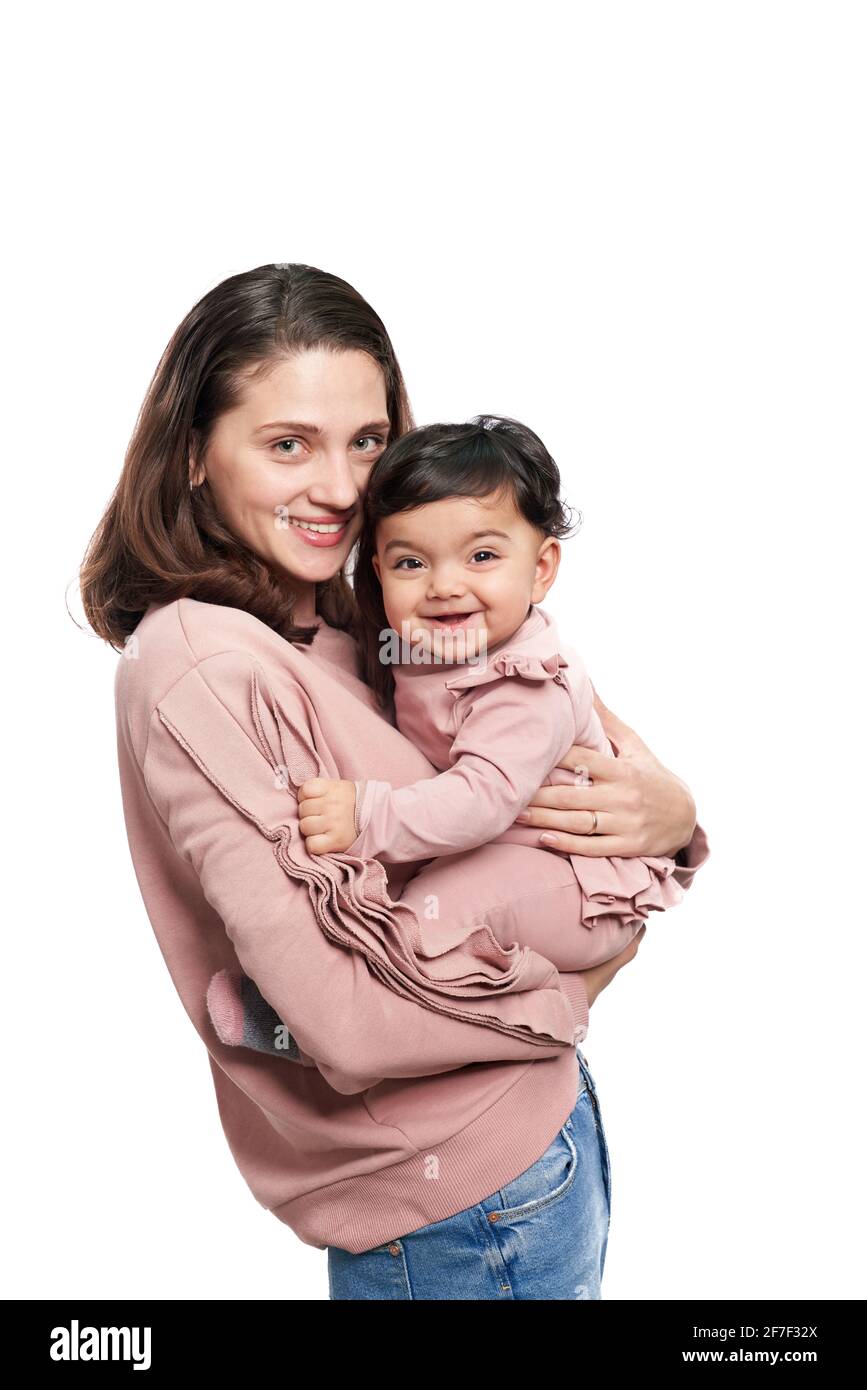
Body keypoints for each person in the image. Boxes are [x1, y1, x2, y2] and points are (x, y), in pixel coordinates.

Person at [79, 262, 709, 1300]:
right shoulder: (204, 665)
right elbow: (343, 1024)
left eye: (366, 441)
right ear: (193, 455)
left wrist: (676, 816)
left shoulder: (363, 608)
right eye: (288, 444)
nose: (340, 488)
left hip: (519, 1154)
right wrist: (575, 993)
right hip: (455, 1202)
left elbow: (574, 725)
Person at [209, 414, 688, 1064]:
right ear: (376, 570)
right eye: (411, 562)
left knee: (434, 915)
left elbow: (478, 801)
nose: (444, 585)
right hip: (520, 860)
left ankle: (319, 1027)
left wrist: (366, 815)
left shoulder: (522, 686)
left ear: (541, 567)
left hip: (572, 880)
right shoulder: (421, 650)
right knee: (428, 909)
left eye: (482, 557)